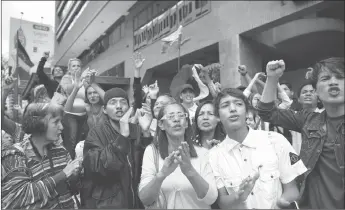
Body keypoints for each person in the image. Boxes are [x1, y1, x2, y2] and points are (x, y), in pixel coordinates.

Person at [257, 58, 344, 209]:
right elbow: (267, 112)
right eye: (325, 78)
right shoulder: (308, 119)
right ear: (316, 91)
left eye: (340, 77)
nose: (333, 82)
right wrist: (272, 78)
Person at [209, 88, 307, 209]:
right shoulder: (214, 155)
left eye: (238, 104)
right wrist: (238, 196)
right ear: (218, 116)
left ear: (247, 111)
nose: (233, 109)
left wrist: (281, 204)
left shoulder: (275, 141)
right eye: (225, 105)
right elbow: (222, 201)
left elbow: (292, 189)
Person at [81, 87, 153, 209]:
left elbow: (146, 166)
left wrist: (146, 134)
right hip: (109, 204)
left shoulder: (136, 129)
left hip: (135, 201)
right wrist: (122, 137)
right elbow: (98, 170)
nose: (119, 106)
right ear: (104, 109)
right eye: (113, 102)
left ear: (129, 108)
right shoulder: (96, 133)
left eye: (123, 102)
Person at [1, 102, 82, 209]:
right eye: (56, 122)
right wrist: (62, 174)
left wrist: (75, 175)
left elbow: (71, 187)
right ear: (39, 124)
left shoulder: (61, 151)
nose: (61, 127)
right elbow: (19, 197)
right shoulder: (16, 156)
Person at [139, 103, 218, 209]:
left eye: (181, 116)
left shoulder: (203, 153)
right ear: (161, 124)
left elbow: (211, 199)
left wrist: (190, 172)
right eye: (171, 116)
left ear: (186, 123)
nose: (176, 119)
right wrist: (162, 174)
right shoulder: (152, 152)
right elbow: (145, 198)